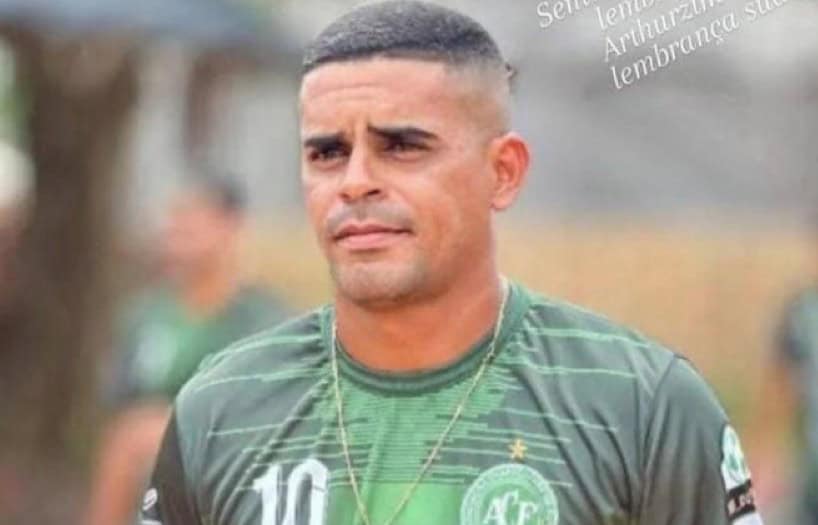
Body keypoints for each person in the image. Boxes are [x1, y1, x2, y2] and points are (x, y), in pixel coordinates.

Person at [141, 2, 763, 524]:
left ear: (503, 172)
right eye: (327, 153)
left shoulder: (638, 407)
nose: (355, 181)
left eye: (401, 146)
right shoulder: (221, 411)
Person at [86, 175, 288, 525]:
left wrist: (172, 429)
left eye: (194, 216)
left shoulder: (263, 324)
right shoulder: (145, 315)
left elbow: (269, 421)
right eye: (174, 216)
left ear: (231, 225)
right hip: (143, 488)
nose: (178, 227)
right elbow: (119, 417)